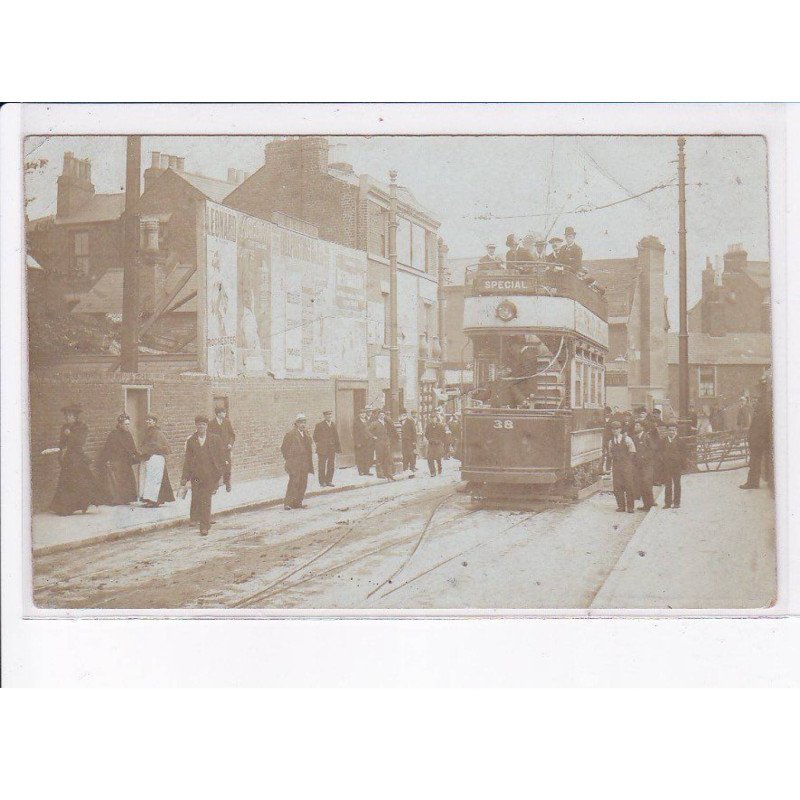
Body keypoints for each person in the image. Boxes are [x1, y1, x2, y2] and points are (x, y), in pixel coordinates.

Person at [49, 403, 98, 516]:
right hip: (67, 459)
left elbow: (80, 442)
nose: (67, 418)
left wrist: (70, 434)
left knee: (81, 482)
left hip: (78, 459)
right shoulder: (64, 427)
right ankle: (65, 507)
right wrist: (60, 453)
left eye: (70, 415)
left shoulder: (82, 427)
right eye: (66, 416)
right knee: (66, 483)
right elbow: (62, 443)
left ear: (75, 416)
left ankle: (82, 504)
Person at [181, 414, 226, 535]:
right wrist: (184, 478)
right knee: (198, 498)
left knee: (206, 499)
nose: (201, 426)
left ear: (206, 426)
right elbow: (188, 460)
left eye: (204, 424)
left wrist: (221, 474)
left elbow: (221, 457)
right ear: (196, 426)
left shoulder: (214, 439)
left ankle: (204, 527)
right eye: (199, 424)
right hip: (196, 476)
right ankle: (200, 520)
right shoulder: (191, 441)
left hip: (210, 475)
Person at [97, 413, 141, 505]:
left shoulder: (128, 434)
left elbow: (132, 447)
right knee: (116, 481)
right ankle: (116, 500)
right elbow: (108, 449)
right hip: (116, 461)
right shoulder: (113, 435)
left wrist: (137, 455)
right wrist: (107, 460)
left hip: (126, 461)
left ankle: (126, 499)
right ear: (120, 424)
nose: (127, 426)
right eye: (126, 424)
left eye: (128, 424)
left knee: (127, 480)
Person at [740, 381, 772, 490]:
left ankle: (753, 483)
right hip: (760, 439)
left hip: (758, 440)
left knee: (754, 462)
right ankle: (754, 482)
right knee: (756, 461)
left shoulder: (762, 405)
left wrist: (753, 439)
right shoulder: (764, 403)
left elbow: (759, 425)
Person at [139, 413, 174, 508]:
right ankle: (150, 499)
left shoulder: (157, 433)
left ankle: (154, 501)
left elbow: (157, 445)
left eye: (150, 420)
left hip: (156, 459)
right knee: (149, 479)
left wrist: (147, 450)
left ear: (155, 422)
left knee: (155, 480)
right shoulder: (148, 432)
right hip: (149, 458)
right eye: (147, 420)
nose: (148, 422)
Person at [281, 413, 314, 509]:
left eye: (304, 422)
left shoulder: (306, 434)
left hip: (305, 463)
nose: (303, 424)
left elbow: (309, 447)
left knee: (303, 483)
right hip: (294, 464)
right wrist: (290, 459)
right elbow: (284, 448)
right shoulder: (290, 434)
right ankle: (288, 503)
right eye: (300, 422)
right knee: (293, 483)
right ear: (296, 424)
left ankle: (298, 502)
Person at [608, 420, 637, 513]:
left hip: (626, 466)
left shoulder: (627, 439)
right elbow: (610, 452)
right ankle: (621, 506)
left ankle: (630, 507)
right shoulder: (611, 441)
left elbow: (632, 451)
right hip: (616, 466)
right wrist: (613, 458)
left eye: (616, 429)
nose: (614, 431)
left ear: (620, 429)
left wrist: (627, 461)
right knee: (617, 486)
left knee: (629, 486)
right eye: (613, 429)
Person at [208, 406, 236, 491]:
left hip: (226, 449)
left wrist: (230, 444)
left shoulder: (227, 422)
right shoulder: (211, 423)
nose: (225, 413)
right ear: (218, 413)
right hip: (216, 450)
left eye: (225, 412)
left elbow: (232, 435)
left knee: (227, 467)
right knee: (216, 467)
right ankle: (215, 486)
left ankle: (227, 483)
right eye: (223, 412)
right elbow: (209, 436)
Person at [632, 420, 658, 511]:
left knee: (647, 483)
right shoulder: (634, 438)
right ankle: (647, 504)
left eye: (637, 425)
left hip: (647, 465)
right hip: (639, 465)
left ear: (642, 427)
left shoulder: (647, 437)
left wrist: (645, 457)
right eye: (635, 425)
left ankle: (649, 503)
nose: (635, 427)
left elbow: (653, 449)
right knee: (642, 484)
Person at [661, 422, 687, 508]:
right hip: (666, 467)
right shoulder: (663, 441)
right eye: (669, 430)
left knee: (677, 484)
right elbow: (659, 453)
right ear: (667, 431)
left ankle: (676, 503)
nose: (671, 432)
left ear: (676, 431)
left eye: (673, 430)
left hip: (676, 466)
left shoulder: (680, 441)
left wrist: (682, 465)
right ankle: (667, 503)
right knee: (668, 485)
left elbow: (684, 454)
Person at [313, 410, 341, 487]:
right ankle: (322, 482)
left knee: (331, 465)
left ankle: (329, 481)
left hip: (331, 448)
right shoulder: (319, 425)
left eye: (330, 415)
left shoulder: (333, 424)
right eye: (327, 415)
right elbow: (315, 437)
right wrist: (319, 445)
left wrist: (337, 447)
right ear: (324, 416)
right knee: (322, 465)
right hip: (323, 449)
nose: (329, 416)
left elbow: (336, 436)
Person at [369, 410, 395, 480]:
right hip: (379, 444)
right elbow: (369, 432)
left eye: (383, 415)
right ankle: (380, 474)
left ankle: (388, 474)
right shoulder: (374, 423)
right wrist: (374, 437)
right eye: (380, 415)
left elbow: (390, 431)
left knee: (387, 459)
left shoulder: (386, 423)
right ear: (378, 416)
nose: (382, 416)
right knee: (379, 459)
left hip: (386, 443)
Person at [353, 409, 374, 475]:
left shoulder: (367, 421)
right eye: (361, 413)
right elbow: (355, 433)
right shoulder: (356, 422)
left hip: (367, 441)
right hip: (360, 442)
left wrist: (372, 437)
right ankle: (360, 471)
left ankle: (367, 471)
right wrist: (357, 443)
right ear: (359, 415)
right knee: (360, 457)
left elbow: (369, 431)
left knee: (367, 456)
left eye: (364, 413)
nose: (363, 414)